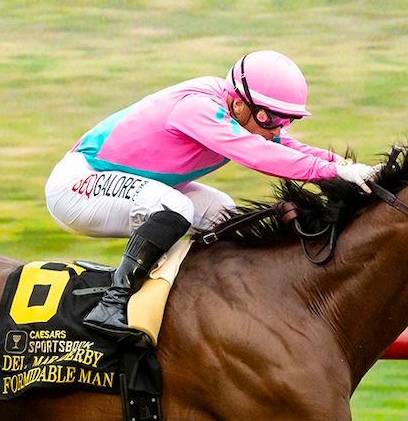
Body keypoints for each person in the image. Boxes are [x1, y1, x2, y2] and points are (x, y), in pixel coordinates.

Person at [45, 50, 382, 344]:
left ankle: (191, 301)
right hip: (79, 183)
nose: (277, 128)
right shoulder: (198, 108)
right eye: (270, 118)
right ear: (238, 103)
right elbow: (258, 155)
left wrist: (347, 167)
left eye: (286, 120)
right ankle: (113, 304)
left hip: (126, 180)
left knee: (221, 212)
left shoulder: (237, 108)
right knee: (177, 208)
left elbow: (288, 148)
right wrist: (332, 173)